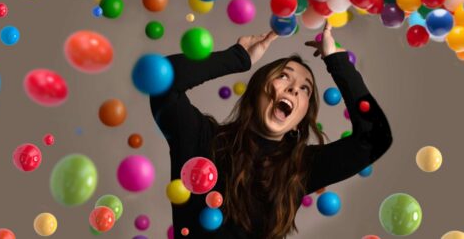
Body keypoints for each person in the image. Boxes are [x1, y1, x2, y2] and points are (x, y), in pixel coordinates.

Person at [150, 23, 393, 239]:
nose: (294, 89)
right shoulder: (204, 139)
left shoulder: (300, 167)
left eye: (305, 89)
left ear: (300, 120)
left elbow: (375, 138)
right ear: (257, 92)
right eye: (284, 76)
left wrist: (338, 62)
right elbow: (161, 79)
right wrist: (237, 57)